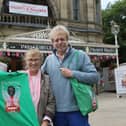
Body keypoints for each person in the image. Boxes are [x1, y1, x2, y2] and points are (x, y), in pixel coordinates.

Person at [42, 25, 99, 126]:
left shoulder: (80, 55)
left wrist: (73, 74)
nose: (59, 42)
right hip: (57, 112)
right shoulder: (48, 60)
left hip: (77, 110)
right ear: (52, 43)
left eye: (62, 39)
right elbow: (37, 77)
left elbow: (94, 77)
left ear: (68, 40)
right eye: (56, 40)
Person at [24, 48, 55, 126]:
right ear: (26, 61)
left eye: (36, 60)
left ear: (41, 61)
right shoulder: (19, 78)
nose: (33, 63)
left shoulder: (47, 79)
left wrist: (46, 120)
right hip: (23, 121)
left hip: (41, 122)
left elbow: (51, 102)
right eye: (30, 60)